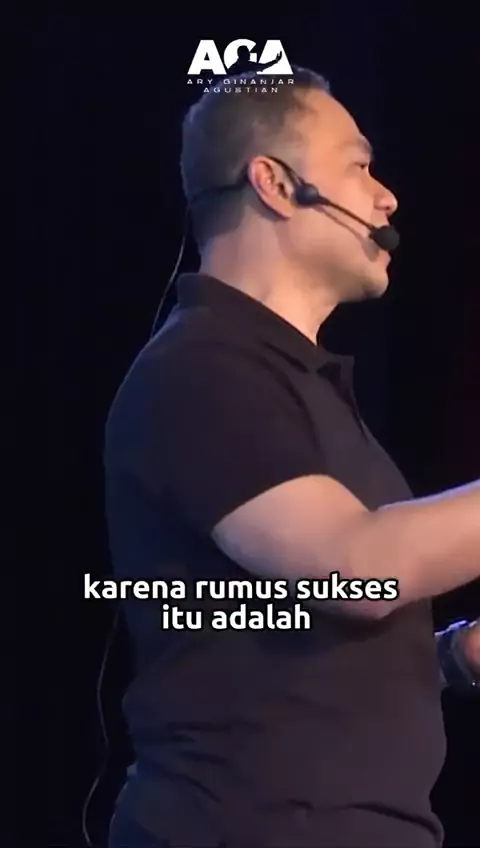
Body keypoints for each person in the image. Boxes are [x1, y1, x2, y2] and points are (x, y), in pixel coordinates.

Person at [104, 68, 480, 848]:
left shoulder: (289, 383)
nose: (386, 197)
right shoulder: (201, 369)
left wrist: (446, 658)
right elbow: (352, 572)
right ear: (276, 184)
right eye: (359, 166)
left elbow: (279, 644)